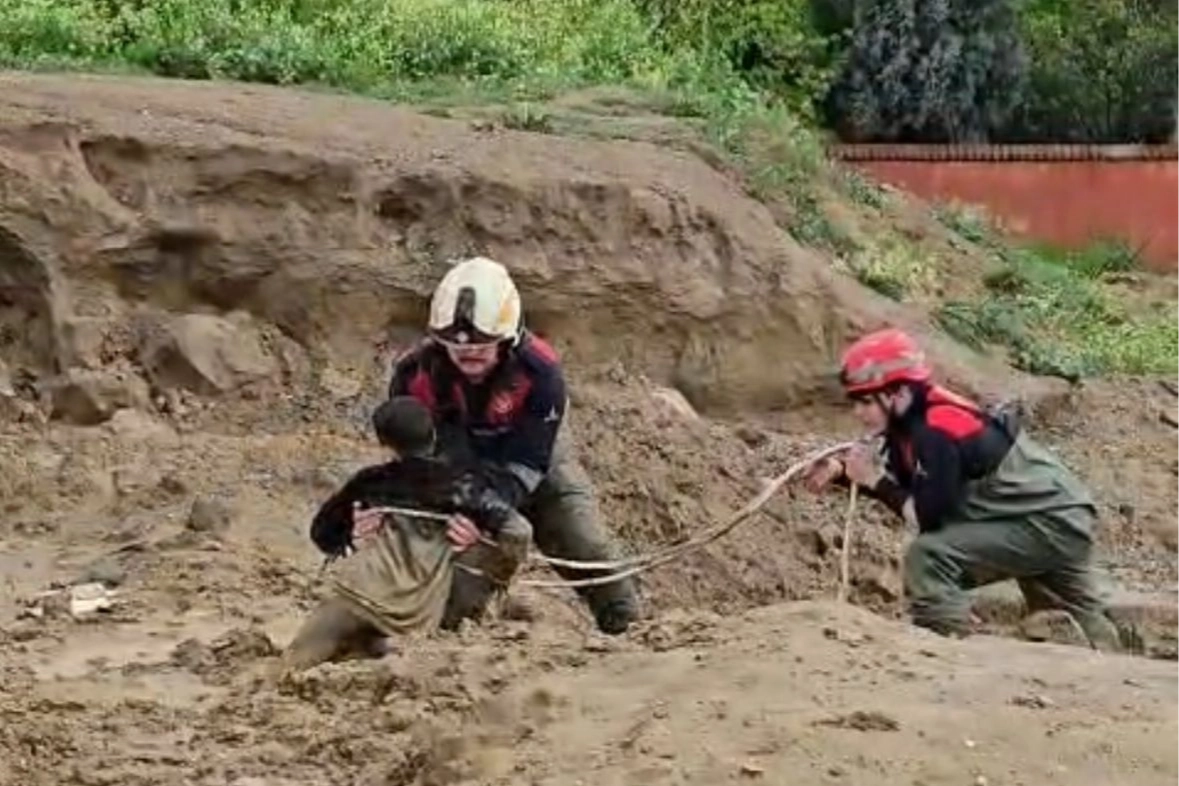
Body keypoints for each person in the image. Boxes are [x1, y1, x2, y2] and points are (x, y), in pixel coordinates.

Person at [804, 327, 1125, 651]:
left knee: (928, 556)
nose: (858, 412)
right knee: (1074, 612)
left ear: (898, 393)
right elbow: (909, 486)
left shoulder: (936, 430)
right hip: (1056, 517)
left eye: (865, 401)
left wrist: (874, 480)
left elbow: (927, 517)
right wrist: (844, 473)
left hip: (1044, 523)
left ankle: (947, 650)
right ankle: (1113, 661)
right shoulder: (919, 418)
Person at [386, 256, 639, 635]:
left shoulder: (541, 372)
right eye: (456, 346)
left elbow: (530, 461)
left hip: (534, 458)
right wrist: (453, 508)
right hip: (457, 466)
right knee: (479, 545)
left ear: (508, 338)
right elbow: (413, 461)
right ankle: (448, 630)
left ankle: (629, 629)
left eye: (483, 343)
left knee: (585, 541)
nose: (469, 352)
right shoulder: (413, 377)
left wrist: (488, 510)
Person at [282, 396, 533, 673]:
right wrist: (496, 570)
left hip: (355, 596)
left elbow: (322, 533)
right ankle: (378, 647)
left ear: (385, 446)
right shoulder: (463, 486)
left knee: (290, 667)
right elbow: (519, 532)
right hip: (414, 619)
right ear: (433, 435)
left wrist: (352, 536)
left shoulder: (370, 482)